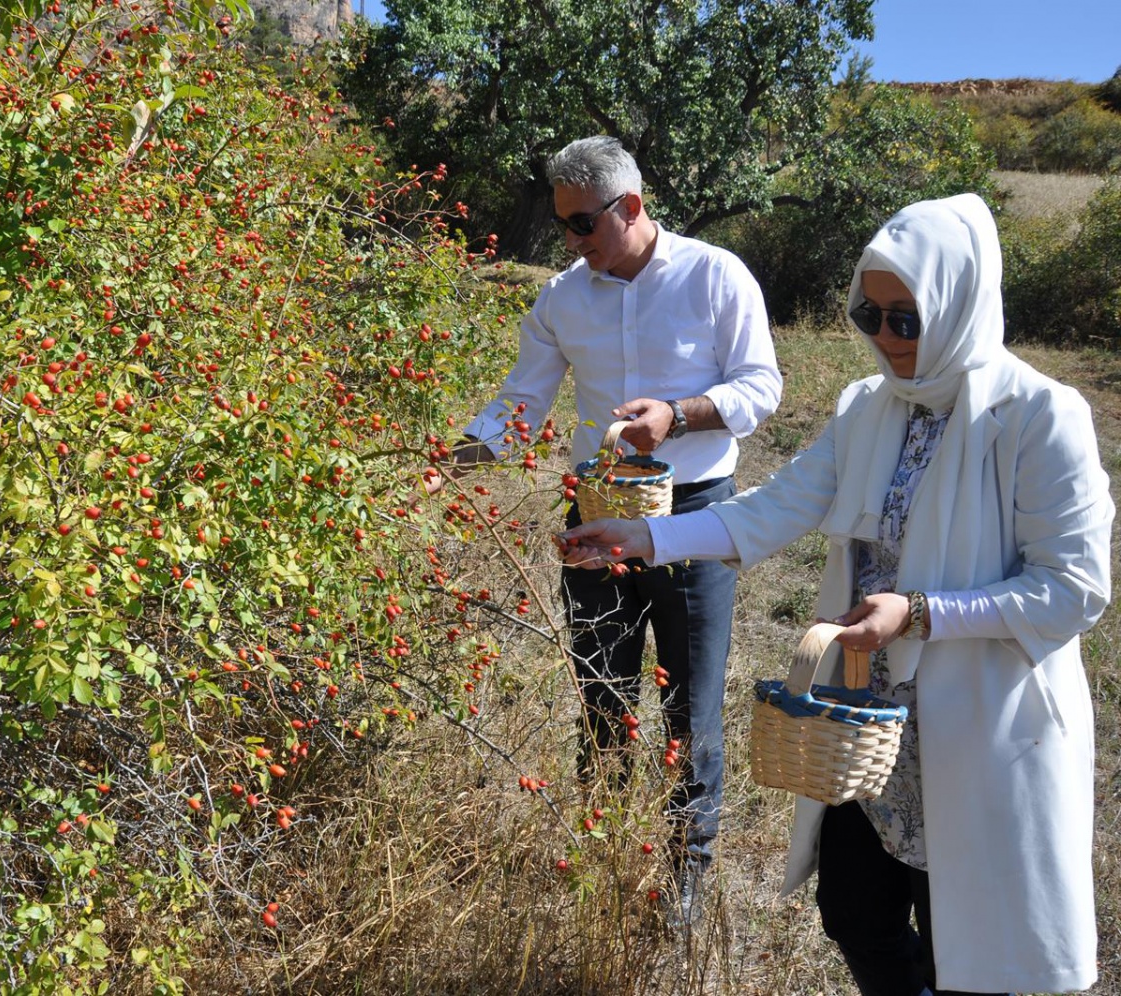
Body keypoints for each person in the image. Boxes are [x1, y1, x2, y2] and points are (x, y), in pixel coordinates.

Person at [557, 193, 1112, 995]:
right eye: (869, 314)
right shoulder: (868, 407)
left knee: (978, 948)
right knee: (855, 914)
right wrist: (648, 538)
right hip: (871, 717)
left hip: (980, 727)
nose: (885, 338)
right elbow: (778, 505)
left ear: (958, 302)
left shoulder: (1040, 417)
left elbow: (1073, 591)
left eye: (906, 319)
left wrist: (919, 613)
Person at [441, 135, 782, 917]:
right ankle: (601, 853)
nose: (571, 241)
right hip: (595, 516)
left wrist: (679, 414)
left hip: (697, 515)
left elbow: (761, 387)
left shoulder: (714, 274)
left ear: (629, 208)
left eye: (584, 225)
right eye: (563, 225)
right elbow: (523, 401)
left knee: (690, 706)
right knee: (601, 693)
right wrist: (448, 457)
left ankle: (684, 879)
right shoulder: (564, 295)